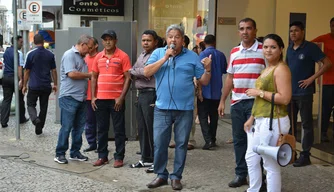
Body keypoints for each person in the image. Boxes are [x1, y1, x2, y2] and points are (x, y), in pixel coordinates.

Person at [144, 24, 212, 190]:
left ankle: (176, 177)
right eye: (170, 37)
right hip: (162, 108)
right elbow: (147, 72)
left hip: (185, 109)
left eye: (177, 37)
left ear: (183, 39)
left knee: (181, 143)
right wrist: (165, 58)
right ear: (166, 39)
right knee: (160, 143)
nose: (173, 40)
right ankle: (161, 175)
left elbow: (203, 80)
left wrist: (208, 69)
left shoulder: (192, 56)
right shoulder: (158, 53)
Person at [218, 18, 266, 188]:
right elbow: (230, 78)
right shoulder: (235, 52)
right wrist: (222, 100)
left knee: (257, 142)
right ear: (238, 31)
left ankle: (259, 177)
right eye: (242, 29)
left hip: (257, 103)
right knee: (239, 141)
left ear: (255, 30)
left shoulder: (263, 50)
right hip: (237, 102)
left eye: (248, 28)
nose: (245, 32)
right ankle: (241, 174)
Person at [244, 34, 292, 192]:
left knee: (270, 164)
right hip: (261, 120)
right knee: (251, 157)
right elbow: (261, 100)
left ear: (281, 49)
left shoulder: (281, 69)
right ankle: (254, 189)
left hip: (274, 121)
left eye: (273, 47)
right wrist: (252, 118)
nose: (268, 50)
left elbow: (285, 98)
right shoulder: (268, 68)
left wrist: (259, 92)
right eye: (265, 47)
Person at [286, 21, 332, 167]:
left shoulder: (310, 47)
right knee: (290, 124)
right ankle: (291, 152)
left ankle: (306, 155)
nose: (293, 33)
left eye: (296, 31)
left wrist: (311, 79)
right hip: (290, 92)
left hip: (304, 92)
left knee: (306, 124)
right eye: (291, 31)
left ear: (303, 32)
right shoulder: (289, 49)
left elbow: (327, 63)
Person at [91, 30, 132, 168]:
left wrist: (121, 97)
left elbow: (128, 78)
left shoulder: (123, 56)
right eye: (105, 39)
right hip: (100, 99)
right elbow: (94, 77)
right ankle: (102, 156)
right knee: (101, 129)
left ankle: (119, 157)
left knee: (119, 130)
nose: (108, 42)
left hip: (116, 100)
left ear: (116, 41)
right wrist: (93, 97)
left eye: (110, 39)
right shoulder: (98, 57)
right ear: (102, 42)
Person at [54, 35, 94, 164]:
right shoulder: (69, 55)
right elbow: (71, 74)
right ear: (83, 44)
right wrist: (89, 75)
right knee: (66, 127)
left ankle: (75, 152)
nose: (90, 50)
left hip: (81, 98)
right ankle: (60, 153)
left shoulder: (82, 58)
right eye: (89, 47)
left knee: (79, 127)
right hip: (69, 97)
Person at [129, 30, 158, 169]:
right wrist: (140, 72)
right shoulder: (142, 55)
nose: (145, 43)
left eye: (149, 40)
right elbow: (134, 70)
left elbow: (148, 73)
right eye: (143, 40)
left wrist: (139, 72)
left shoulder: (157, 55)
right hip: (141, 93)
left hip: (151, 93)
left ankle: (155, 159)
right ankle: (145, 158)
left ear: (155, 42)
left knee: (151, 127)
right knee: (142, 128)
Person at [22, 34, 57, 135]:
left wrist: (24, 85)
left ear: (34, 42)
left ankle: (35, 120)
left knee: (30, 104)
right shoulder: (50, 54)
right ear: (43, 41)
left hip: (34, 85)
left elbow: (27, 71)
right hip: (46, 86)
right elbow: (54, 70)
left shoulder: (30, 54)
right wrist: (55, 84)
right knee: (44, 107)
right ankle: (40, 127)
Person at [198, 34, 227, 150]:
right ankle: (213, 139)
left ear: (204, 43)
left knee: (203, 116)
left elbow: (199, 72)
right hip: (216, 90)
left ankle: (208, 140)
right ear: (215, 42)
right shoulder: (221, 55)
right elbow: (225, 70)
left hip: (204, 90)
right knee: (214, 116)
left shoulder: (202, 54)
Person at [311, 17, 334, 142]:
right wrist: (320, 60)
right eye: (332, 26)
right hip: (327, 80)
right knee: (326, 108)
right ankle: (323, 132)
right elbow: (309, 47)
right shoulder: (323, 39)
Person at [1, 35, 29, 128]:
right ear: (16, 42)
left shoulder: (6, 52)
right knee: (20, 99)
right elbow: (20, 67)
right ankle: (21, 118)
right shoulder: (18, 53)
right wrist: (21, 80)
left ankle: (4, 121)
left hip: (6, 78)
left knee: (6, 100)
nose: (22, 44)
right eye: (21, 42)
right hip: (15, 78)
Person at [82, 37, 99, 152]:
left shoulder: (100, 57)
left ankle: (101, 143)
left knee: (100, 121)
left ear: (96, 46)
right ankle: (92, 143)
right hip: (87, 94)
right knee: (89, 121)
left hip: (99, 94)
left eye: (90, 45)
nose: (87, 47)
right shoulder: (84, 58)